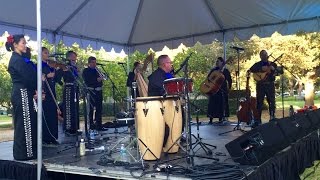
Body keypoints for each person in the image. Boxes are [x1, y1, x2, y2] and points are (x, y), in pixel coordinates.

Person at [6, 34, 38, 160]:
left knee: (27, 122)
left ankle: (27, 152)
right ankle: (22, 153)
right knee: (24, 123)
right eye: (23, 43)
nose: (25, 45)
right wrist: (37, 80)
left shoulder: (19, 59)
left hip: (25, 92)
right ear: (15, 45)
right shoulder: (16, 59)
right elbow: (27, 77)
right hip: (21, 93)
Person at [249, 50, 277, 126]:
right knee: (259, 102)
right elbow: (251, 69)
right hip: (260, 85)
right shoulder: (257, 64)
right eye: (262, 55)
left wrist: (273, 69)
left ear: (267, 55)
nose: (264, 56)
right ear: (260, 56)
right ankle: (258, 120)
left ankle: (272, 116)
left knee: (271, 101)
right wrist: (261, 69)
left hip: (270, 85)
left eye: (265, 54)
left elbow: (279, 72)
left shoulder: (273, 64)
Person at [56, 51, 80, 135]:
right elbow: (57, 76)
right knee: (68, 109)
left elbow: (77, 77)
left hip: (75, 88)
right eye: (74, 56)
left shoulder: (74, 66)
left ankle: (75, 128)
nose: (75, 58)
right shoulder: (65, 65)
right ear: (69, 57)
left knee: (75, 108)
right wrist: (62, 83)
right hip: (68, 88)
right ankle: (68, 129)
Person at [41, 47, 59, 144]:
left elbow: (56, 79)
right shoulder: (38, 65)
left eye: (48, 53)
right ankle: (47, 138)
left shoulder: (48, 65)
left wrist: (56, 70)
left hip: (52, 92)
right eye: (45, 53)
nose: (47, 54)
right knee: (47, 115)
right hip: (45, 94)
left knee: (53, 115)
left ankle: (53, 136)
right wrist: (47, 76)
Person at [207, 57, 232, 124]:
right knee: (212, 104)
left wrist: (229, 88)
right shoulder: (213, 70)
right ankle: (211, 119)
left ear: (222, 62)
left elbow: (229, 80)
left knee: (221, 104)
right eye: (216, 61)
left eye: (218, 61)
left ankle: (221, 118)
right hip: (214, 90)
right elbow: (208, 78)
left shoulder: (225, 71)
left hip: (222, 89)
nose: (216, 62)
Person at [82, 56, 104, 130]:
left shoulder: (97, 70)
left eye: (95, 62)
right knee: (91, 109)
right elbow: (87, 81)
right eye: (93, 62)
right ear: (89, 63)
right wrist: (96, 80)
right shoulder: (86, 71)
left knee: (99, 109)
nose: (95, 64)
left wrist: (102, 78)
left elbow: (102, 78)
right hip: (91, 91)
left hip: (99, 91)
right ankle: (91, 125)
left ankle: (99, 125)